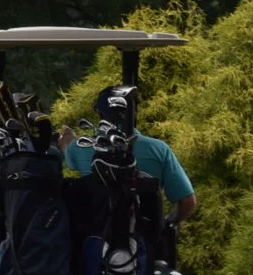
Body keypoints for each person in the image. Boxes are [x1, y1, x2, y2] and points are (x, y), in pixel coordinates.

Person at [62, 92, 198, 222]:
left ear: (99, 115)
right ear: (133, 114)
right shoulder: (159, 149)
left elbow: (67, 149)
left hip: (96, 235)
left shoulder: (80, 147)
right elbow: (187, 202)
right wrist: (168, 223)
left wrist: (67, 136)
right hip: (146, 237)